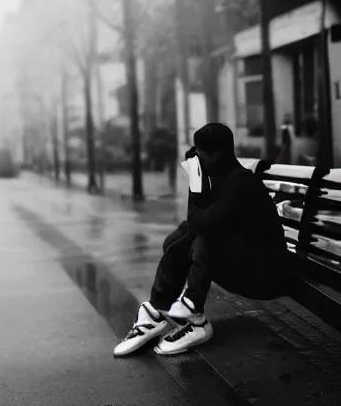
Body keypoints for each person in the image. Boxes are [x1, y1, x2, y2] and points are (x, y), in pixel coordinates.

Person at [114, 123, 290, 357]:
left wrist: (194, 184)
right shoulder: (221, 178)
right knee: (179, 239)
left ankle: (194, 316)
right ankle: (157, 312)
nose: (197, 156)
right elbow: (192, 227)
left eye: (201, 152)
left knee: (203, 236)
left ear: (218, 153)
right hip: (244, 257)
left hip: (266, 272)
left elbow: (201, 224)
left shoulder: (240, 184)